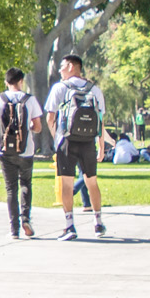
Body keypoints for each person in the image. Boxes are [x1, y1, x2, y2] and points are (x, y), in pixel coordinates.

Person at [44, 54, 108, 238]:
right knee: (92, 182)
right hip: (88, 142)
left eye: (62, 67)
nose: (60, 71)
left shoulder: (60, 88)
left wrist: (57, 139)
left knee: (66, 183)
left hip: (67, 141)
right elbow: (101, 120)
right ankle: (98, 223)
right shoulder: (94, 89)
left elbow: (50, 117)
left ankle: (70, 225)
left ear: (72, 66)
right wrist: (101, 146)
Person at [0, 68, 44, 239]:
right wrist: (29, 128)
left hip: (5, 151)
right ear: (21, 81)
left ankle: (14, 229)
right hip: (26, 150)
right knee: (26, 183)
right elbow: (38, 127)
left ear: (6, 82)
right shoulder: (30, 100)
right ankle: (26, 218)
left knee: (11, 189)